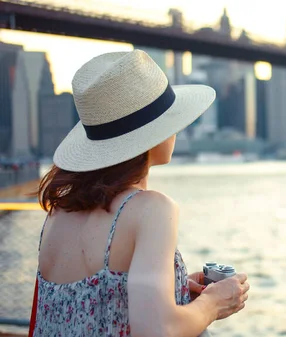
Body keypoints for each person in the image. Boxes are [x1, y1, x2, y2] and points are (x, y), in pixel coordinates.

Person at [31, 50, 250, 336]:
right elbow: (157, 329)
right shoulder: (151, 209)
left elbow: (94, 304)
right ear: (152, 134)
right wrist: (213, 304)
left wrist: (177, 289)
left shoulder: (57, 213)